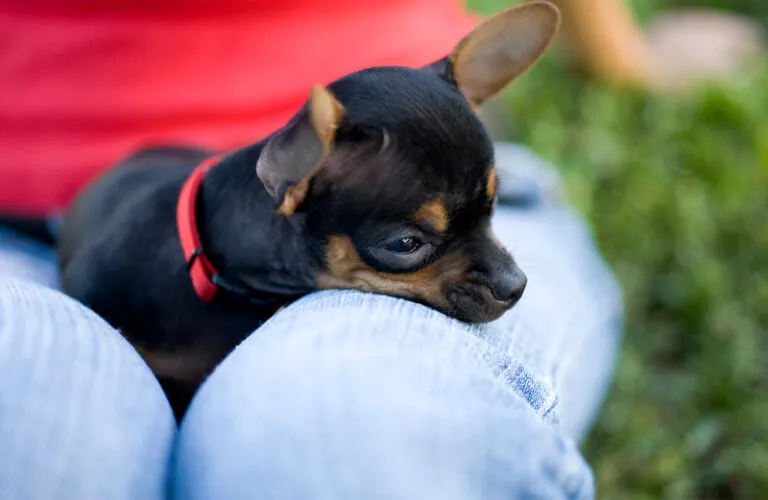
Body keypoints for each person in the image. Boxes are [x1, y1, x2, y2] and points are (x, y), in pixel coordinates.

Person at [0, 0, 623, 498]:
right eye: (409, 244)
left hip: (420, 168)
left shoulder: (428, 191)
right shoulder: (315, 172)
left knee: (329, 438)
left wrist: (623, 57)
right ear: (300, 183)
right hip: (24, 244)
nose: (507, 280)